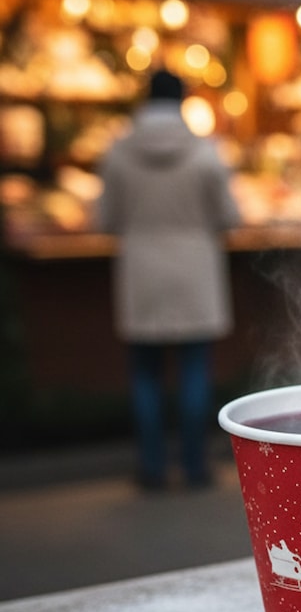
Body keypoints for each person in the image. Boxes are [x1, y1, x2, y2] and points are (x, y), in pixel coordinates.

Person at [97, 68, 240, 489]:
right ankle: (196, 466)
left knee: (145, 374)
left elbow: (105, 219)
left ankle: (152, 468)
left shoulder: (117, 152)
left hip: (141, 271)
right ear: (182, 101)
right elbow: (230, 216)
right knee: (195, 370)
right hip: (194, 269)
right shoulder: (206, 152)